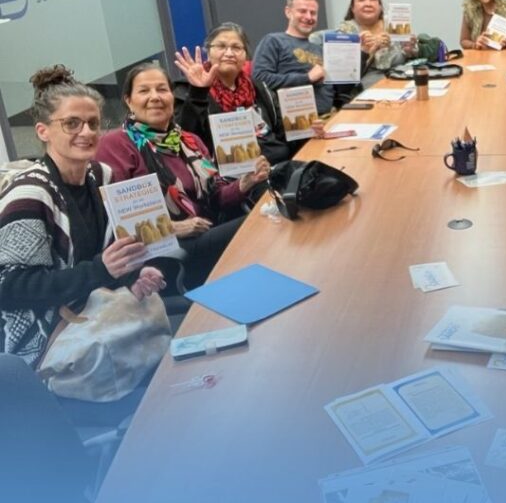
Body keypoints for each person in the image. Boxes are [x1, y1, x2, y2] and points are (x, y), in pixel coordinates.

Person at [0, 65, 165, 369]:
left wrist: (132, 276)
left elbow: (100, 260)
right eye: (72, 123)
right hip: (47, 341)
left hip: (96, 315)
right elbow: (10, 287)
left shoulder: (101, 175)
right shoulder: (28, 194)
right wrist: (100, 271)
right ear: (43, 131)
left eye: (93, 123)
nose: (86, 132)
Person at [95, 63, 270, 290]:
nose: (155, 97)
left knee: (270, 203)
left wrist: (244, 184)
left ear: (171, 96)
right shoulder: (114, 145)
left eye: (161, 89)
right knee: (260, 221)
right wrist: (175, 228)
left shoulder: (189, 141)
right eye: (144, 91)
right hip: (167, 252)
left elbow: (216, 197)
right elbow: (120, 223)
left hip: (208, 231)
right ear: (128, 100)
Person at [174, 22, 294, 165]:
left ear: (245, 56)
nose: (229, 53)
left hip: (277, 166)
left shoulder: (259, 87)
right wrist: (198, 93)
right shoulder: (189, 90)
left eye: (236, 47)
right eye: (221, 46)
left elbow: (282, 133)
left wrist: (306, 131)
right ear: (208, 51)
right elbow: (185, 140)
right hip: (228, 181)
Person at [251, 0, 347, 114]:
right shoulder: (273, 41)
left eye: (313, 13)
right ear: (288, 12)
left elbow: (340, 89)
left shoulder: (320, 49)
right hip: (296, 124)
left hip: (330, 118)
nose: (308, 17)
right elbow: (259, 80)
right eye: (302, 11)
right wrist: (306, 78)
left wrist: (363, 52)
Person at [336, 0, 419, 87]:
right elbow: (345, 74)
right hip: (368, 86)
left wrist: (410, 49)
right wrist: (368, 50)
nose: (368, 4)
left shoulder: (393, 22)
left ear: (380, 7)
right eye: (361, 0)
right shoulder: (346, 30)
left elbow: (412, 56)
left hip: (402, 78)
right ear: (352, 8)